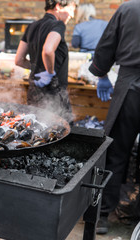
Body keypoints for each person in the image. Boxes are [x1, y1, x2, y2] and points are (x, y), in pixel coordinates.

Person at [87, 0, 140, 234]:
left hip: (129, 86)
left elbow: (107, 42)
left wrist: (101, 73)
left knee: (115, 153)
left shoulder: (128, 8)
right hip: (129, 81)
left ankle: (103, 215)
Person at [15, 0, 77, 123]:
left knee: (36, 129)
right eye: (71, 10)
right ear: (58, 6)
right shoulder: (58, 25)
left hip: (34, 92)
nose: (72, 15)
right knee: (60, 130)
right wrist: (49, 72)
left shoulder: (31, 26)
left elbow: (19, 60)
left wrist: (36, 67)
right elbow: (48, 50)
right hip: (53, 92)